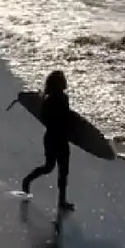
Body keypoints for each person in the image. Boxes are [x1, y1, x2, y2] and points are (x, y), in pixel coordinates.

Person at [21, 70, 74, 212]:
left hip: (55, 137)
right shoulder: (56, 99)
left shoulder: (52, 99)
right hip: (56, 138)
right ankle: (28, 180)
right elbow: (65, 118)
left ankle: (61, 200)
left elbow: (46, 117)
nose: (65, 82)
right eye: (63, 80)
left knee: (58, 169)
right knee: (53, 168)